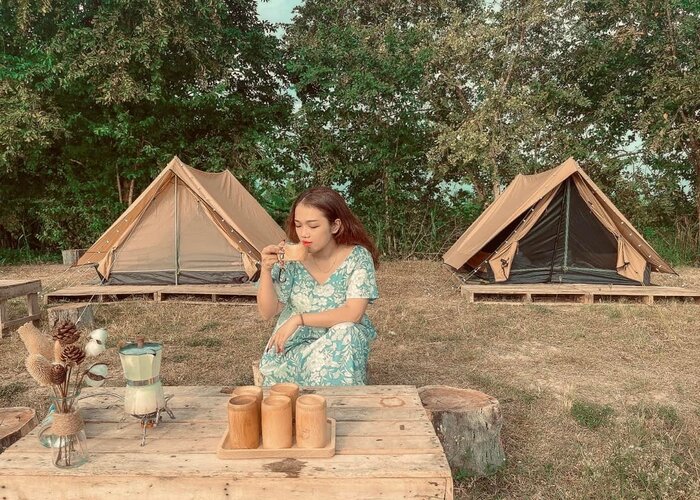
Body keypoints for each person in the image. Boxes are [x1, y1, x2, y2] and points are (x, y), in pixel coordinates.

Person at [257, 187, 380, 386]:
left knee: (346, 331)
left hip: (340, 345)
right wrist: (265, 269)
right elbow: (267, 312)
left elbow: (354, 313)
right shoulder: (290, 258)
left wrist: (299, 319)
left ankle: (333, 401)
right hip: (295, 347)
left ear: (335, 226)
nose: (303, 234)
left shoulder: (357, 257)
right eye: (298, 225)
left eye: (313, 226)